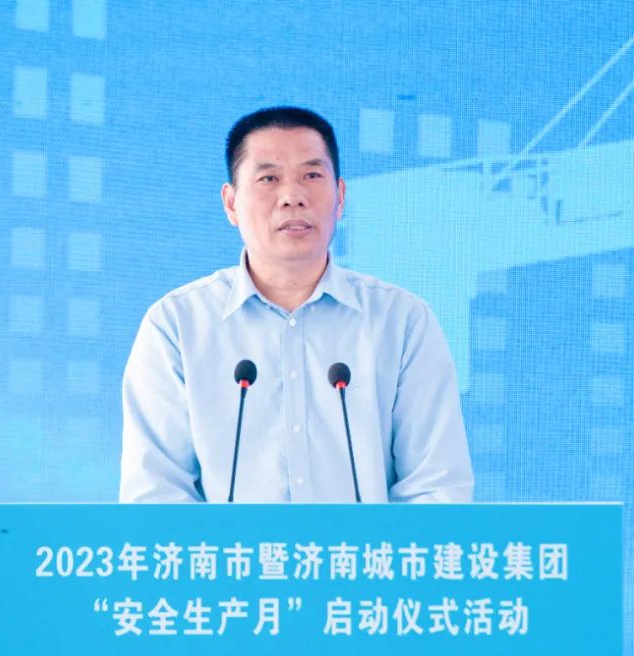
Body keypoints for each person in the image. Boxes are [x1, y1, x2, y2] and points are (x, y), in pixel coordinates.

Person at [120, 106, 473, 503]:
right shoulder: (176, 325)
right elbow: (157, 495)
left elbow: (436, 488)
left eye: (312, 176)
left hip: (369, 548)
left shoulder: (402, 322)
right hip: (227, 547)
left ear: (340, 197)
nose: (292, 197)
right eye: (268, 178)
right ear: (231, 203)